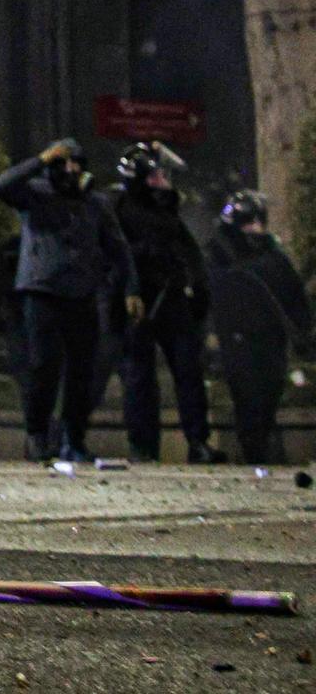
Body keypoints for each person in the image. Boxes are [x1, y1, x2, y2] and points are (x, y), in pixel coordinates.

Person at [0, 138, 140, 463]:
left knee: (82, 373)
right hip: (42, 292)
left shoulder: (96, 204)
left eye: (77, 163)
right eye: (65, 163)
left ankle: (74, 440)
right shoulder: (35, 194)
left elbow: (119, 248)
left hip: (82, 294)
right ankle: (38, 435)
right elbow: (3, 186)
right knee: (43, 367)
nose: (72, 170)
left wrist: (132, 289)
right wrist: (41, 159)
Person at [107, 144, 222, 464]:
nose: (163, 180)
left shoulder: (166, 210)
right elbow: (117, 253)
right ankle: (143, 446)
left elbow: (190, 253)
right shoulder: (121, 208)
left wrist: (199, 290)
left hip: (171, 297)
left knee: (188, 369)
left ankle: (198, 441)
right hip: (139, 300)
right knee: (140, 376)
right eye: (156, 175)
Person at [205, 191, 312, 464]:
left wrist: (302, 331)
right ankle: (255, 452)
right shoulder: (220, 256)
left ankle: (260, 449)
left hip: (270, 339)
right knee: (248, 397)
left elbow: (294, 297)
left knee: (268, 393)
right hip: (239, 338)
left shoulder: (273, 258)